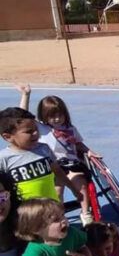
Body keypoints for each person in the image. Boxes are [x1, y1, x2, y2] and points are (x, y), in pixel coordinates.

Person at [18, 84, 102, 226]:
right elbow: (21, 115)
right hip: (52, 166)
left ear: (65, 113)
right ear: (44, 117)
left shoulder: (70, 128)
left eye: (59, 115)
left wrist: (88, 151)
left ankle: (86, 214)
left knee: (80, 185)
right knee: (57, 192)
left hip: (71, 164)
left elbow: (78, 144)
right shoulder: (42, 128)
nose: (56, 119)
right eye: (52, 116)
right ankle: (60, 217)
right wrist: (26, 95)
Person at [0, 107, 80, 203]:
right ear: (8, 137)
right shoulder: (3, 159)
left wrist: (73, 189)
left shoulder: (44, 149)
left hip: (51, 207)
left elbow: (57, 171)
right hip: (25, 213)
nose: (36, 133)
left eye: (36, 129)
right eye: (29, 131)